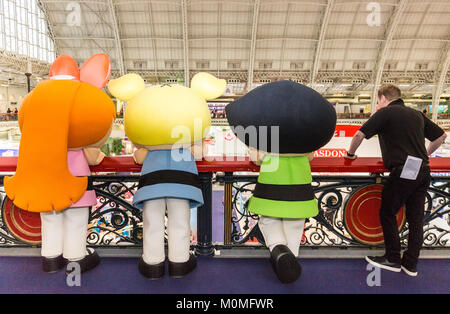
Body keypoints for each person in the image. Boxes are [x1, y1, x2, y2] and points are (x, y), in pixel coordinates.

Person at [4, 54, 116, 274]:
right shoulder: (81, 115)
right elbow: (94, 157)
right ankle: (75, 258)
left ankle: (51, 258)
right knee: (75, 220)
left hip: (43, 180)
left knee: (50, 220)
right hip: (75, 180)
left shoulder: (35, 97)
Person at [108, 72, 226, 279]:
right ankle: (179, 262)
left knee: (152, 224)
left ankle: (152, 263)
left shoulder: (148, 151)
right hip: (182, 186)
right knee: (180, 223)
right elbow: (200, 153)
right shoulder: (189, 146)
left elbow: (138, 157)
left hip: (152, 186)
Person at [226, 80, 336, 283]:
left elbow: (256, 157)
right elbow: (311, 157)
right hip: (299, 193)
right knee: (295, 225)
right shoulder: (306, 150)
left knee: (269, 221)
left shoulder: (266, 147)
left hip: (271, 191)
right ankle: (290, 258)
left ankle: (278, 249)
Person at [345, 84, 447, 277]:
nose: (378, 104)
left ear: (383, 98)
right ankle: (410, 264)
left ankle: (392, 258)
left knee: (388, 212)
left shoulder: (386, 113)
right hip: (423, 170)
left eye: (378, 101)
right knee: (416, 219)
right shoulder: (416, 114)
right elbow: (441, 136)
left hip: (404, 171)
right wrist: (423, 155)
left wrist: (350, 154)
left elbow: (359, 134)